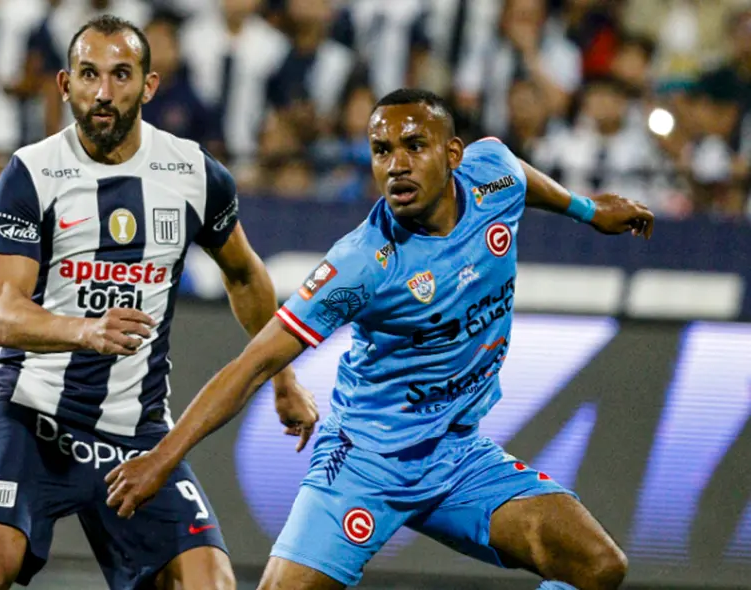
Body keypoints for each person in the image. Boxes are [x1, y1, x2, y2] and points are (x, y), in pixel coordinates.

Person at [106, 88, 655, 590]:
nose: (396, 165)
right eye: (381, 150)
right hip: (364, 459)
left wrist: (587, 210)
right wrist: (161, 459)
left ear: (453, 154)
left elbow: (518, 173)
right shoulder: (362, 264)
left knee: (598, 566)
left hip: (456, 454)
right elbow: (251, 364)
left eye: (415, 145)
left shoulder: (493, 175)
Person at [0, 15, 317, 590]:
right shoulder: (31, 174)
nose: (104, 92)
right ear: (65, 85)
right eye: (89, 75)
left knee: (211, 582)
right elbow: (3, 314)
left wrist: (283, 379)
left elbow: (244, 275)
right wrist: (85, 331)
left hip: (137, 434)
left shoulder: (192, 173)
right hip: (37, 422)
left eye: (121, 75)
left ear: (149, 85)